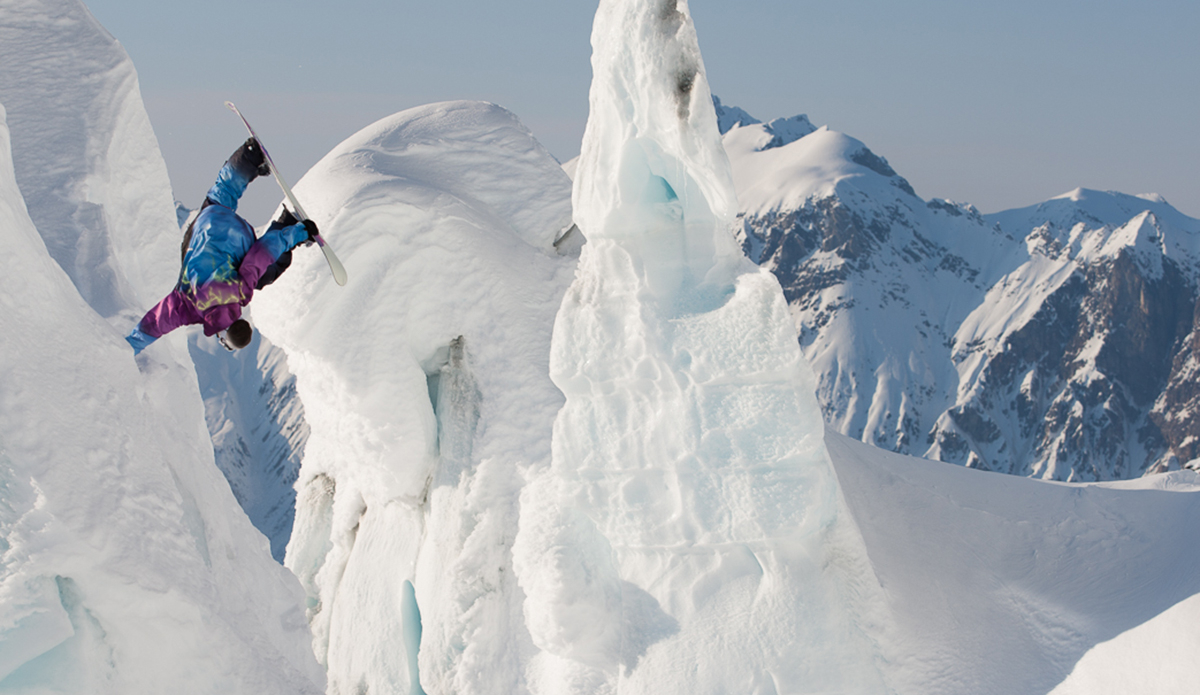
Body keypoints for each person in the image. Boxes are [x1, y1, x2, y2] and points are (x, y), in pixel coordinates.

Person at [125, 138, 317, 355]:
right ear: (221, 335)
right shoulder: (187, 307)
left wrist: (297, 233)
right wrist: (130, 347)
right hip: (210, 223)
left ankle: (283, 215)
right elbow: (155, 323)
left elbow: (261, 253)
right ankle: (250, 160)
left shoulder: (240, 291)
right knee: (218, 200)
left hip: (232, 232)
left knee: (264, 274)